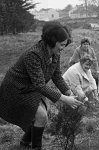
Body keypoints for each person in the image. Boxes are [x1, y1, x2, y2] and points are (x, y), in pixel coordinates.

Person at [0, 21, 83, 150]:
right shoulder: (33, 54)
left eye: (64, 45)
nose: (63, 48)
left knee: (45, 111)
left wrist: (69, 92)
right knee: (41, 115)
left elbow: (56, 76)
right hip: (16, 88)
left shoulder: (56, 53)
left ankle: (25, 142)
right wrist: (65, 99)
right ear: (52, 40)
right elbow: (39, 84)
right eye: (61, 44)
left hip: (31, 86)